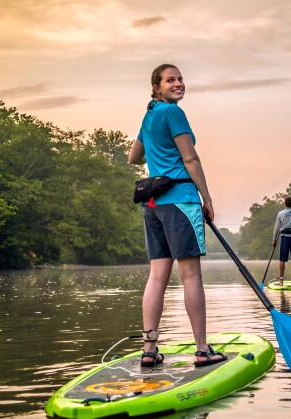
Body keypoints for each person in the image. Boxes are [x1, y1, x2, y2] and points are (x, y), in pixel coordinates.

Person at [128, 63, 226, 367]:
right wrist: (206, 197)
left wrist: (156, 145)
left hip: (154, 205)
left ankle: (149, 349)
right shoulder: (173, 113)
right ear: (157, 87)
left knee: (157, 276)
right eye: (171, 80)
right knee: (191, 275)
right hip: (181, 202)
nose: (178, 83)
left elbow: (133, 157)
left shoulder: (150, 115)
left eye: (181, 79)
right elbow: (190, 157)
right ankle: (201, 350)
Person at [273, 197, 291, 286]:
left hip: (285, 238)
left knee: (282, 260)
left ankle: (281, 281)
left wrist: (275, 239)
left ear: (285, 203)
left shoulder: (280, 213)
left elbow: (277, 227)